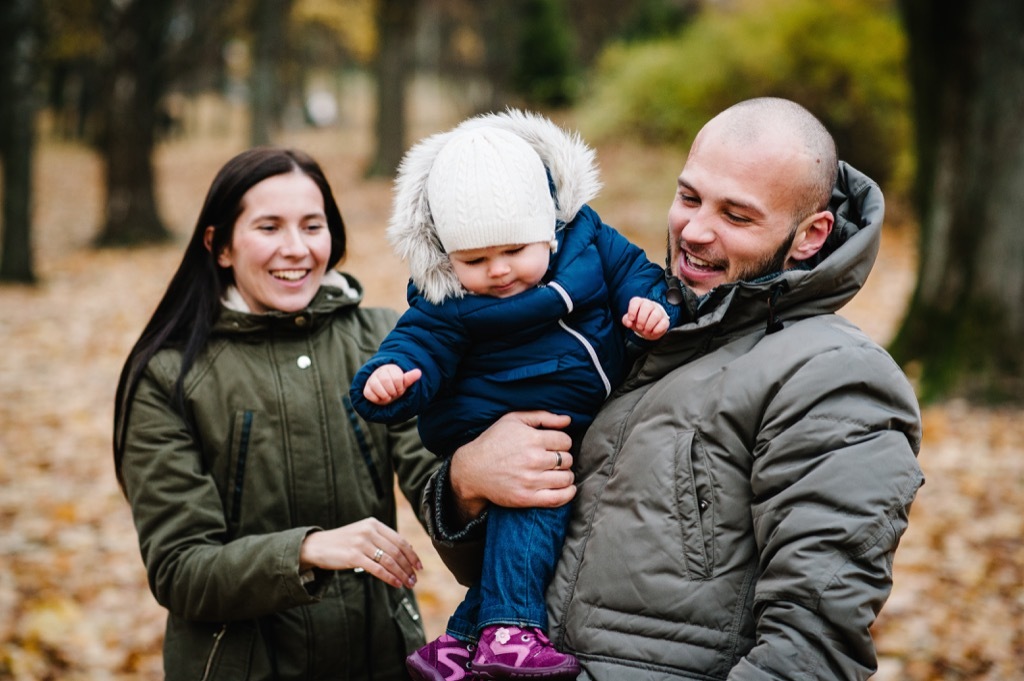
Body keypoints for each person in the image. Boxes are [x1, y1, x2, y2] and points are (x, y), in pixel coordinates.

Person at [422, 97, 926, 680]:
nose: (695, 230)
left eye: (736, 217)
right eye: (689, 198)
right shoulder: (629, 328)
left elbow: (811, 651)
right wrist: (466, 484)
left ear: (811, 234)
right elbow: (505, 568)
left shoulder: (834, 376)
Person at [348, 110, 679, 681]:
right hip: (508, 422)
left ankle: (457, 642)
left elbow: (639, 274)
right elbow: (418, 343)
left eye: (513, 251)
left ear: (549, 228)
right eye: (474, 260)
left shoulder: (592, 242)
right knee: (532, 508)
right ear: (449, 258)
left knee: (527, 535)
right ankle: (510, 634)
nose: (498, 272)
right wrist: (390, 378)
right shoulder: (448, 299)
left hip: (571, 417)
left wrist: (652, 309)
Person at [112, 147, 441, 680]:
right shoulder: (167, 376)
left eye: (312, 226)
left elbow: (438, 482)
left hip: (381, 657)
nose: (296, 249)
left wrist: (475, 478)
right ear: (219, 246)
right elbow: (180, 569)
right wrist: (307, 550)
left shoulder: (384, 341)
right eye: (269, 227)